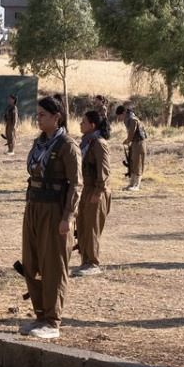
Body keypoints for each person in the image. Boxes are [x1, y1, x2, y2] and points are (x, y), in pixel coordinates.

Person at [20, 96, 81, 340]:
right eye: (37, 114)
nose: (38, 118)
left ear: (57, 117)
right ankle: (40, 315)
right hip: (34, 206)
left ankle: (52, 320)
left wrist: (68, 216)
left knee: (53, 265)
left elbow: (76, 184)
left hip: (55, 209)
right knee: (31, 262)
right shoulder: (39, 143)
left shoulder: (67, 145)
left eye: (43, 114)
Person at [74, 109, 112, 275]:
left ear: (92, 125)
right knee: (82, 226)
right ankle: (85, 261)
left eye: (83, 122)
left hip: (95, 191)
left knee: (91, 228)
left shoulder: (99, 143)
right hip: (84, 189)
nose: (80, 124)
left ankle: (93, 263)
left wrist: (98, 192)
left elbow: (104, 170)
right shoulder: (86, 142)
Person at [117, 104, 146, 191]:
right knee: (132, 164)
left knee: (138, 163)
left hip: (139, 143)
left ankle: (137, 185)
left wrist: (127, 140)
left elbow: (131, 134)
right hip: (134, 143)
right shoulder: (128, 119)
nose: (119, 118)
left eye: (119, 116)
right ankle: (131, 184)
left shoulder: (133, 120)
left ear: (123, 113)